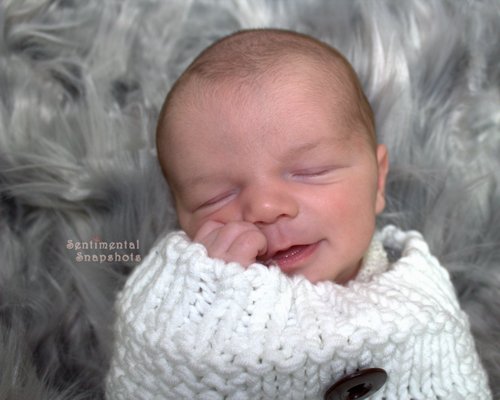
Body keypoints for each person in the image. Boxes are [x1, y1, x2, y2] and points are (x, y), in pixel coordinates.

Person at [106, 29, 492, 399]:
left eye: (311, 172)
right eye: (216, 197)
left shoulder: (422, 298)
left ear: (377, 183)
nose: (265, 208)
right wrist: (208, 303)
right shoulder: (172, 317)